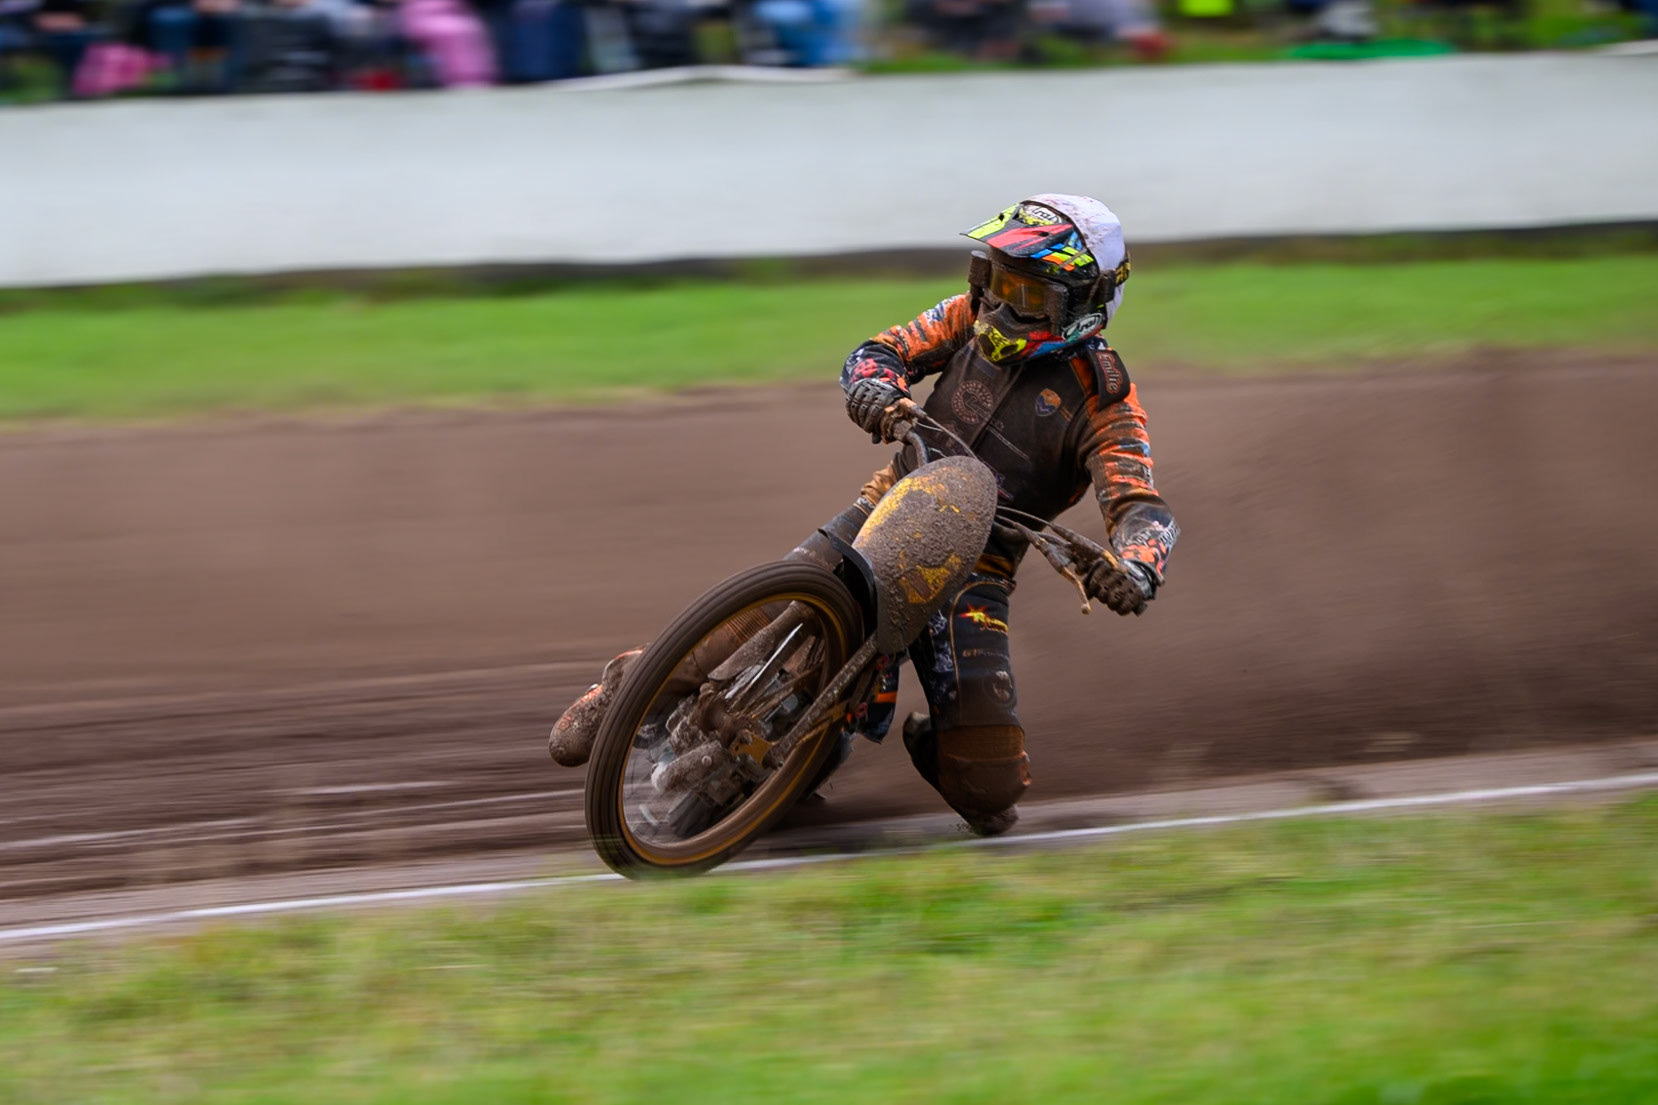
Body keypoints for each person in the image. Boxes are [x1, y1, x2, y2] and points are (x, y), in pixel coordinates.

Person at [551, 194, 1178, 837]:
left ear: (1082, 301)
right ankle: (628, 684)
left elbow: (1142, 507)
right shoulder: (966, 315)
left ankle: (918, 737)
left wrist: (1134, 567)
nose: (999, 303)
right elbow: (881, 349)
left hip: (977, 568)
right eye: (995, 279)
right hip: (888, 503)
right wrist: (875, 387)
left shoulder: (1107, 402)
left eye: (1026, 291)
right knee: (737, 626)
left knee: (990, 793)